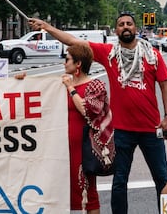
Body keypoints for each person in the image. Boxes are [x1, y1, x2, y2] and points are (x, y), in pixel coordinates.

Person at [30, 13, 167, 214]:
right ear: (116, 31)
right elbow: (73, 42)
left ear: (136, 28)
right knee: (119, 181)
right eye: (121, 24)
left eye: (129, 24)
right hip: (121, 131)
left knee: (162, 179)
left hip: (151, 128)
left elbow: (165, 85)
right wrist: (47, 27)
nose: (125, 27)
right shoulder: (108, 53)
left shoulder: (153, 55)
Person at [61, 43, 112, 214]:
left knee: (88, 191)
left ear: (78, 64)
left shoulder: (94, 85)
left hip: (84, 148)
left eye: (67, 59)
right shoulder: (64, 84)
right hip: (65, 147)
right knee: (65, 191)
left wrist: (70, 88)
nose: (64, 63)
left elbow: (87, 111)